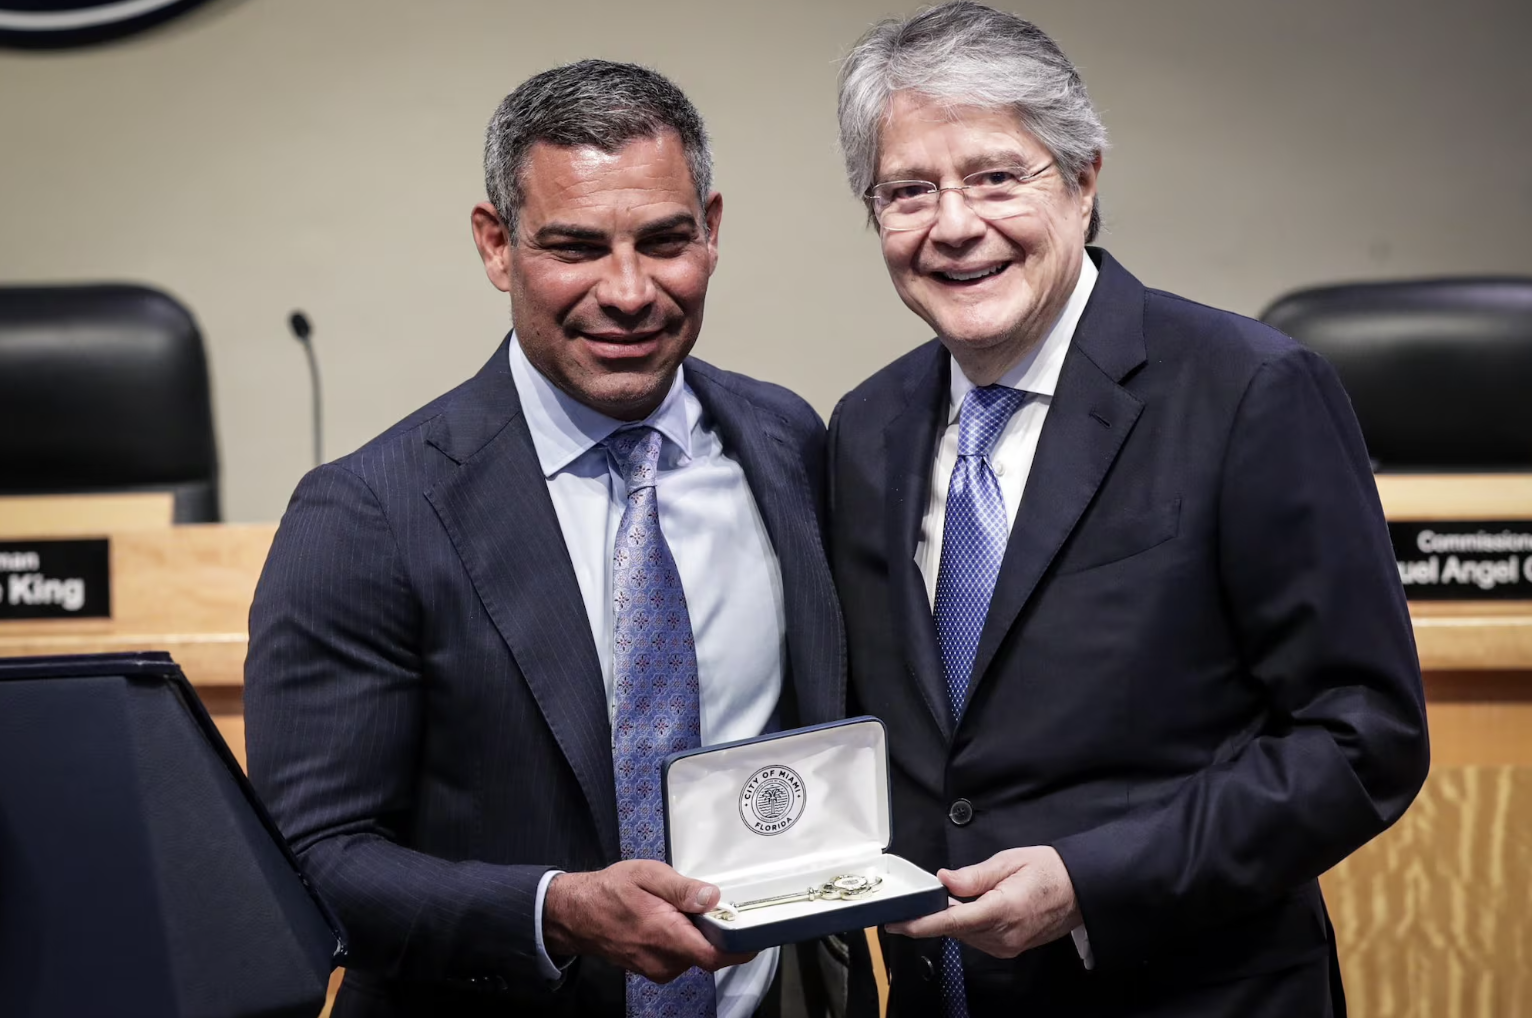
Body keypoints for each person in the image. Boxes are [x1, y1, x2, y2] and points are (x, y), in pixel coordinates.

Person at [826, 4, 1429, 1016]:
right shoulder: (865, 427)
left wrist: (1091, 881)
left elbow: (1363, 736)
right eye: (908, 191)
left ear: (1083, 180)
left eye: (994, 177)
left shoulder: (1248, 390)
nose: (953, 224)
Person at [245, 60, 844, 1018]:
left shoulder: (786, 443)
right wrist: (551, 912)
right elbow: (309, 859)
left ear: (712, 230)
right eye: (575, 247)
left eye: (665, 241)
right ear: (497, 245)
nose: (629, 291)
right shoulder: (367, 515)